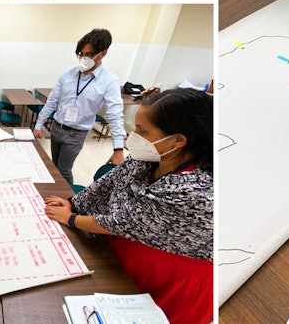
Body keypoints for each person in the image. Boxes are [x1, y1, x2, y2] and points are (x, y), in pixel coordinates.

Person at [44, 88, 213, 324]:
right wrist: (73, 203)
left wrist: (71, 218)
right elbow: (107, 183)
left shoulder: (196, 191)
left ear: (178, 139)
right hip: (125, 250)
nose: (133, 136)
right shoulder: (149, 157)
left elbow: (124, 221)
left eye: (143, 131)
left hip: (171, 274)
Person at [32, 29, 125, 184]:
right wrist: (39, 124)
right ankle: (56, 193)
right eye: (81, 54)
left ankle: (68, 200)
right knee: (55, 167)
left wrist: (118, 149)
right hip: (57, 128)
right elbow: (52, 101)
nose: (83, 58)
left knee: (64, 170)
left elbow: (115, 116)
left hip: (76, 133)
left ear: (103, 54)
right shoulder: (68, 74)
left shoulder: (109, 81)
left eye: (88, 54)